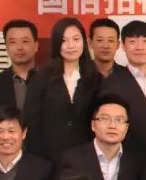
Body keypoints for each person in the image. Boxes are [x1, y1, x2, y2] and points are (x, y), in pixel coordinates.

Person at [23, 17, 100, 165]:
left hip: (86, 157)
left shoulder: (95, 78)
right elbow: (32, 123)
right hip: (48, 158)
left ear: (84, 42)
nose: (71, 46)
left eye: (76, 39)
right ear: (56, 43)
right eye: (64, 40)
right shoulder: (41, 78)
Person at [99, 20, 146, 159]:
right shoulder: (110, 83)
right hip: (127, 159)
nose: (139, 47)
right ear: (123, 46)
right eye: (132, 42)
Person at [0, 19, 36, 118]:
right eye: (13, 42)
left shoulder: (51, 81)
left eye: (25, 41)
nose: (19, 47)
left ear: (36, 46)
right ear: (6, 47)